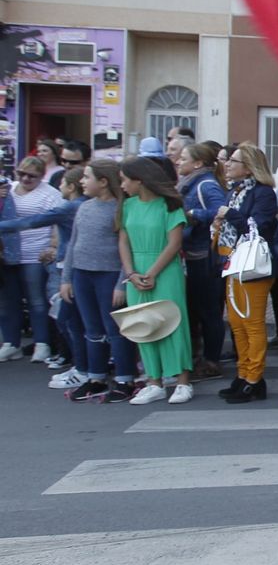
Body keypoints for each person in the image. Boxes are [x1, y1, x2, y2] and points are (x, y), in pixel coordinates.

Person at [60, 161, 141, 402]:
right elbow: (73, 244)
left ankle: (125, 378)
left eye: (87, 177)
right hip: (82, 274)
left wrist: (120, 283)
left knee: (114, 328)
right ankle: (95, 378)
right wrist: (67, 278)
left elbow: (127, 248)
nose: (82, 182)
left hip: (108, 274)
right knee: (91, 329)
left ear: (104, 181)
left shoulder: (121, 209)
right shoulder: (84, 207)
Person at [118, 157, 194, 404]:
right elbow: (123, 241)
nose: (122, 185)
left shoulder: (170, 205)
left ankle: (182, 382)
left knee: (172, 322)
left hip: (164, 268)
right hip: (136, 269)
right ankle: (154, 381)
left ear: (139, 181)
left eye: (125, 180)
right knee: (142, 323)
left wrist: (151, 273)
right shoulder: (127, 206)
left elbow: (175, 243)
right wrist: (131, 273)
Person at [0, 166, 86, 384]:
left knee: (69, 318)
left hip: (68, 264)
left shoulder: (70, 206)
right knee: (71, 318)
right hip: (68, 263)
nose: (59, 186)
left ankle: (83, 367)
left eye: (64, 183)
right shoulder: (78, 205)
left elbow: (31, 221)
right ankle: (80, 365)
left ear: (72, 186)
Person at [216, 143, 278, 404]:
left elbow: (259, 229)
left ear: (249, 167)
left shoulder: (264, 193)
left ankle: (254, 379)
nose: (227, 164)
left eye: (233, 161)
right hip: (232, 262)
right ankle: (243, 374)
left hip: (252, 266)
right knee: (237, 323)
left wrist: (230, 214)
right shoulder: (236, 190)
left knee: (252, 323)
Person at [0, 156, 63, 363]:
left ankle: (42, 343)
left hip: (35, 253)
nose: (26, 179)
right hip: (9, 251)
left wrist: (53, 246)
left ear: (42, 176)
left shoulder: (50, 194)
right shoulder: (9, 188)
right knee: (9, 300)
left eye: (32, 176)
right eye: (22, 174)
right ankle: (11, 343)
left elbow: (56, 222)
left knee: (36, 300)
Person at [176, 142, 228, 379]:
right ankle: (198, 356)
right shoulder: (189, 184)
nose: (178, 161)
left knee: (208, 311)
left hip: (205, 256)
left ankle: (211, 360)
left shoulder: (206, 185)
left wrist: (194, 215)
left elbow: (222, 211)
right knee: (195, 309)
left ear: (197, 163)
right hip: (192, 254)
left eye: (183, 158)